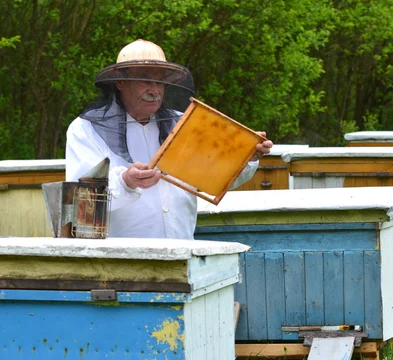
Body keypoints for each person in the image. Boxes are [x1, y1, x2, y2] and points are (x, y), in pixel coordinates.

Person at [66, 39, 273, 239]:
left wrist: (248, 156)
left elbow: (217, 176)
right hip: (122, 261)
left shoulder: (184, 123)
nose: (155, 90)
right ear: (121, 82)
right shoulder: (85, 129)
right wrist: (125, 181)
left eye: (160, 82)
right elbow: (82, 200)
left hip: (182, 251)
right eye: (146, 80)